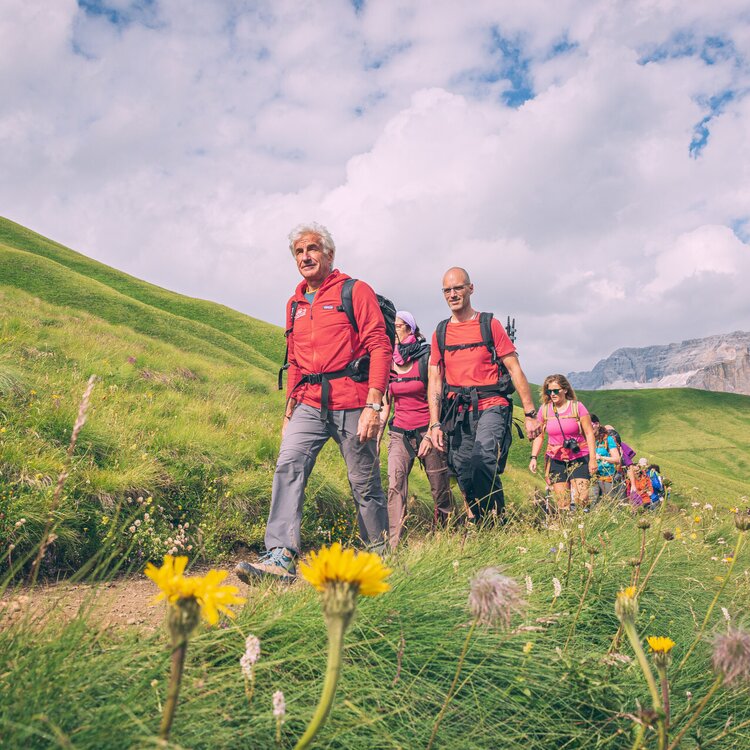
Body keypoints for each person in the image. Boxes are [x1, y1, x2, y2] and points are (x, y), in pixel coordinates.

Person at [236, 223, 391, 582]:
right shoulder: (293, 304)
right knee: (288, 464)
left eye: (312, 249)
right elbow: (294, 361)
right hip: (307, 401)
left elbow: (379, 346)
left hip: (353, 400)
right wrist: (288, 411)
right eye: (298, 252)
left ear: (329, 254)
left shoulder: (356, 291)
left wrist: (374, 404)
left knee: (363, 482)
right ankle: (280, 555)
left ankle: (378, 558)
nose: (305, 257)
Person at [427, 267, 541, 522]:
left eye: (458, 288)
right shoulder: (441, 332)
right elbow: (435, 379)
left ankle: (493, 517)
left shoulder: (490, 324)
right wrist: (434, 423)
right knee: (463, 472)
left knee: (482, 461)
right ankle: (489, 523)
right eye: (447, 290)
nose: (453, 294)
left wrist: (531, 413)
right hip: (458, 412)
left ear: (470, 288)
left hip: (492, 406)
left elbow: (514, 368)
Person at [380, 311, 453, 548]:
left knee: (439, 488)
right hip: (400, 432)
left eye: (398, 327)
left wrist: (432, 433)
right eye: (391, 328)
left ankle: (444, 536)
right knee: (395, 485)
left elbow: (436, 396)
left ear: (410, 329)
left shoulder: (425, 357)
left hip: (427, 430)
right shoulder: (388, 362)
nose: (394, 332)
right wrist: (376, 438)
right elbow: (385, 404)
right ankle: (393, 544)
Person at [529, 375, 597, 512]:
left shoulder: (578, 407)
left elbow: (589, 433)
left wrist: (593, 460)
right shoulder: (545, 410)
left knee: (581, 498)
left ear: (565, 390)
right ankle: (567, 530)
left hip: (580, 456)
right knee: (562, 502)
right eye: (549, 391)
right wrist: (533, 457)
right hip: (556, 459)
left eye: (555, 390)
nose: (552, 394)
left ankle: (583, 528)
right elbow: (539, 436)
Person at [589, 424, 621, 503]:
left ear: (597, 424)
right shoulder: (585, 440)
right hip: (591, 476)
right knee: (592, 502)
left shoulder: (607, 440)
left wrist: (601, 457)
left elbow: (617, 459)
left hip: (607, 476)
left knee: (609, 502)